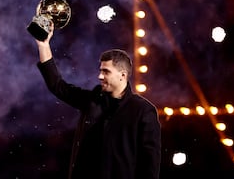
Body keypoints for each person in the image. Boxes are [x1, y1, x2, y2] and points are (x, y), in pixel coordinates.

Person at [34, 23, 161, 179]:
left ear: (122, 75)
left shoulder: (142, 110)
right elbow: (58, 86)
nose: (100, 76)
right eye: (100, 71)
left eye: (106, 72)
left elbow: (149, 165)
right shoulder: (92, 100)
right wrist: (43, 45)